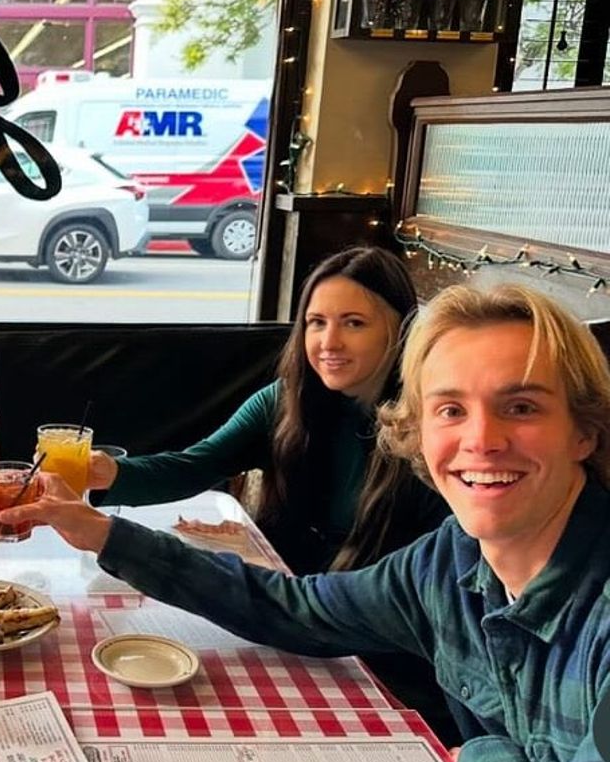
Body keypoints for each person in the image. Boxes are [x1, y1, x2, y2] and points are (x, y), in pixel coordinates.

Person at [4, 283, 610, 762]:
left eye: (521, 406)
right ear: (418, 432)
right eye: (451, 409)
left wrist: (485, 756)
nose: (481, 439)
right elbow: (293, 608)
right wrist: (103, 533)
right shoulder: (448, 562)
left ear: (584, 430)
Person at [87, 246, 446, 575]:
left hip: (377, 616)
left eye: (354, 323)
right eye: (316, 322)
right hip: (284, 594)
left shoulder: (433, 427)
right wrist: (107, 473)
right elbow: (194, 466)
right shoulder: (284, 401)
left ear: (400, 329)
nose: (328, 342)